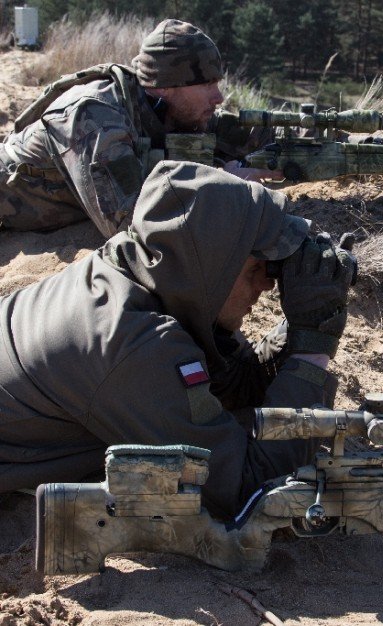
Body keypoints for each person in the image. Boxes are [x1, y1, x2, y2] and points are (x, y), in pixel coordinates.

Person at [0, 160, 355, 518]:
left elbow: (231, 386)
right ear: (213, 264)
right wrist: (311, 351)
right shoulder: (134, 346)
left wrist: (303, 323)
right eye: (256, 268)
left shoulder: (150, 269)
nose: (265, 284)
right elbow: (248, 492)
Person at [0, 18, 277, 238]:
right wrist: (223, 182)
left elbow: (252, 135)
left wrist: (302, 148)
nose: (218, 97)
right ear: (164, 87)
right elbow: (129, 225)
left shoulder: (171, 107)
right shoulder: (96, 118)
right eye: (206, 85)